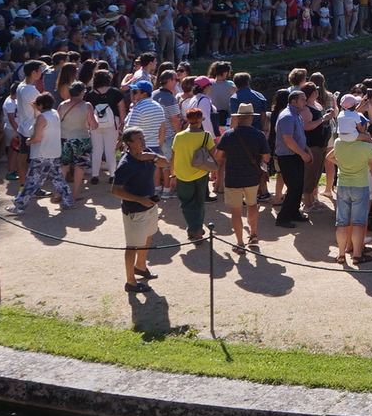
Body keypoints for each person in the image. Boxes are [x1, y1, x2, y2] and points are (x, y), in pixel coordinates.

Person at [110, 128, 164, 293]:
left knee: (148, 236)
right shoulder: (126, 164)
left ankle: (140, 266)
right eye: (138, 139)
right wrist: (140, 199)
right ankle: (130, 282)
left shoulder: (148, 154)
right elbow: (115, 190)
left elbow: (166, 163)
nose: (143, 141)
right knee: (132, 246)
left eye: (142, 137)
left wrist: (153, 157)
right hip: (135, 210)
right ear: (128, 143)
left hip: (150, 206)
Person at [326, 112, 372, 266]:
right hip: (360, 186)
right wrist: (371, 141)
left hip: (342, 185)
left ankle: (341, 255)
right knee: (358, 223)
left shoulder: (338, 143)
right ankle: (357, 255)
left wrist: (341, 164)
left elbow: (329, 157)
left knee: (342, 223)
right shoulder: (365, 146)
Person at [8, 91, 73, 214]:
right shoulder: (54, 113)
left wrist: (28, 141)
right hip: (54, 152)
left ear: (41, 105)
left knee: (31, 182)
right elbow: (42, 120)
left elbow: (37, 138)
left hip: (41, 154)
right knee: (58, 179)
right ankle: (68, 201)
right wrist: (36, 109)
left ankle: (19, 206)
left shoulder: (42, 118)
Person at [216, 105, 269, 251]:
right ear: (251, 117)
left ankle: (240, 243)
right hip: (252, 177)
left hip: (233, 177)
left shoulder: (228, 135)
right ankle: (254, 236)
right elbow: (266, 157)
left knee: (236, 211)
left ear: (238, 118)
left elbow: (218, 156)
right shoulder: (259, 135)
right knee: (252, 205)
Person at [169, 106, 215, 240]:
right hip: (201, 173)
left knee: (187, 203)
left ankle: (193, 228)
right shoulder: (206, 136)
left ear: (187, 120)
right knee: (200, 202)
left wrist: (172, 174)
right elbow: (213, 154)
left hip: (182, 175)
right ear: (200, 120)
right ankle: (198, 228)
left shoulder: (179, 136)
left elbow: (173, 157)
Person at [272, 93, 313, 228]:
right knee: (294, 187)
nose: (305, 102)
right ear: (294, 101)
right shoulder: (287, 116)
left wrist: (306, 150)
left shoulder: (296, 115)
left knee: (298, 186)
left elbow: (298, 136)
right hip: (288, 157)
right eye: (303, 100)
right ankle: (282, 218)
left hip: (295, 155)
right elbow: (288, 140)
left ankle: (294, 213)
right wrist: (303, 154)